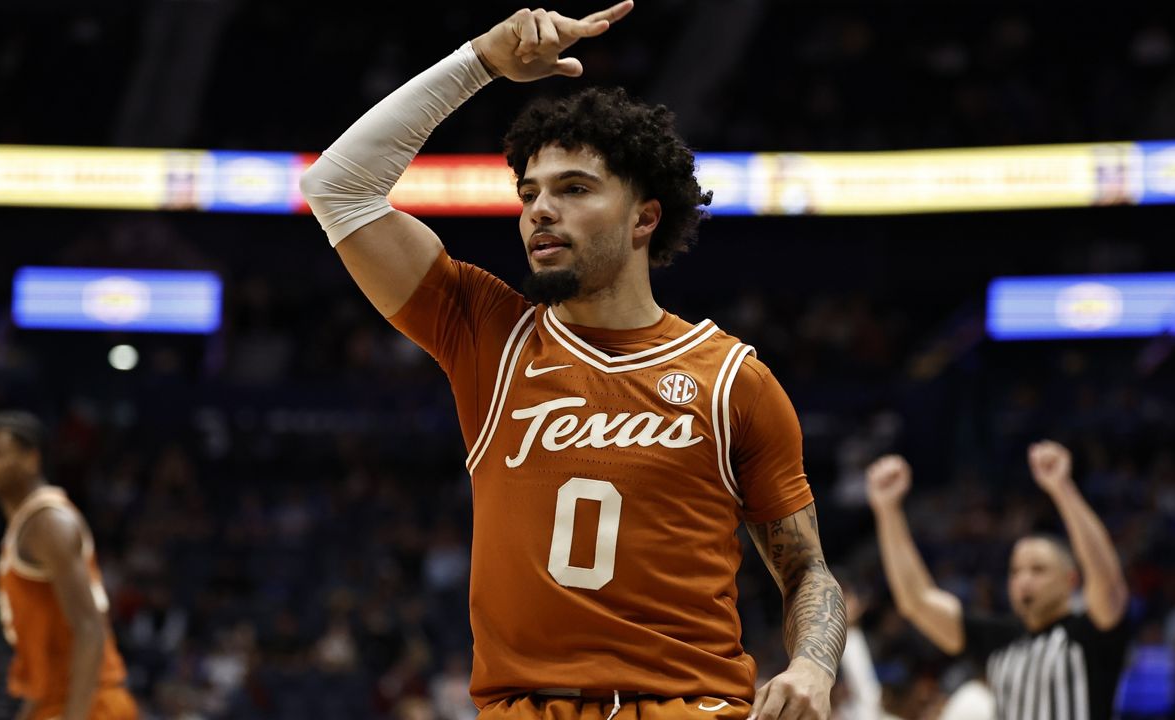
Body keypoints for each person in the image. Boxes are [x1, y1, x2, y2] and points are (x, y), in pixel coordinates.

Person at [299, 3, 846, 718]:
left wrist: (812, 665)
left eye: (574, 189)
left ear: (644, 217)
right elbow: (337, 187)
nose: (539, 210)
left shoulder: (733, 381)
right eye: (529, 193)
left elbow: (807, 570)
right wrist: (480, 62)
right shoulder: (489, 335)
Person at [864, 440, 1129, 719]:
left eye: (1038, 570)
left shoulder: (1089, 633)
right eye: (1015, 571)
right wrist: (888, 511)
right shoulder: (1000, 639)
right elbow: (917, 601)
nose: (1023, 580)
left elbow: (1108, 581)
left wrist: (1063, 489)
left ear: (1071, 580)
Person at [0, 411, 137, 720]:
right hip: (57, 701)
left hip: (92, 704)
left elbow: (90, 628)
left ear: (31, 460)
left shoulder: (48, 523)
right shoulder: (27, 525)